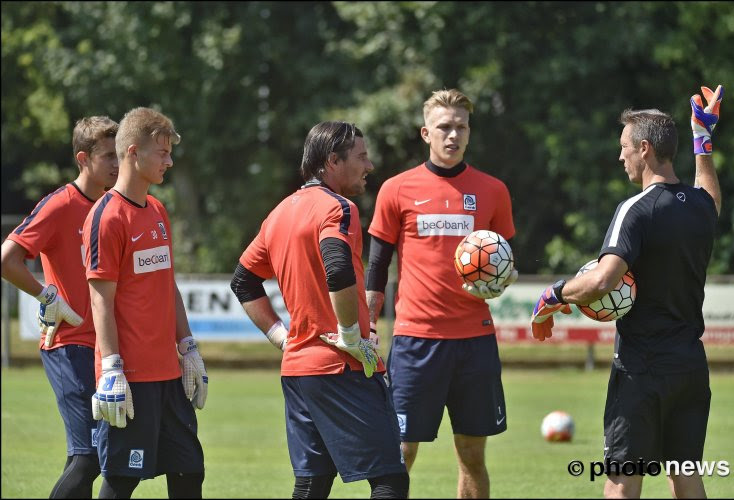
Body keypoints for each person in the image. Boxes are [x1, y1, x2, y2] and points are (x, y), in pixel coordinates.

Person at [530, 85, 723, 499]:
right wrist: (702, 136)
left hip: (641, 369)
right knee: (687, 478)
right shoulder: (700, 206)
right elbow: (710, 193)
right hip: (690, 366)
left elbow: (603, 279)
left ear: (645, 149)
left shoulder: (635, 209)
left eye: (624, 147)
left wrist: (555, 294)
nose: (621, 156)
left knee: (621, 481)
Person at [230, 121, 409, 499]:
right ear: (332, 161)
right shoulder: (338, 208)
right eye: (361, 157)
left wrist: (284, 339)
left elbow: (243, 282)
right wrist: (350, 335)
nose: (370, 165)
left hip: (298, 371)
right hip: (340, 366)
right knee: (390, 480)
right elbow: (338, 266)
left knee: (312, 484)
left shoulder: (279, 212)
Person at [365, 89, 517, 498]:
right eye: (444, 127)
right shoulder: (396, 189)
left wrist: (501, 280)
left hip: (474, 341)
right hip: (416, 341)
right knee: (399, 451)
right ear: (425, 133)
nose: (453, 135)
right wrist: (367, 326)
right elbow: (376, 267)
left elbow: (504, 263)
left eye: (461, 127)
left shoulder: (493, 191)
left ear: (470, 131)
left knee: (472, 455)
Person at [82, 107, 208, 499]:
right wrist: (111, 369)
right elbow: (101, 301)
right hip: (130, 379)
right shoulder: (106, 217)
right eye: (162, 153)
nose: (169, 161)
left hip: (169, 377)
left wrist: (188, 347)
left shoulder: (157, 210)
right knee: (122, 479)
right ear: (133, 153)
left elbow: (166, 285)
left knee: (189, 472)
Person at [1, 116, 119, 498]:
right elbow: (7, 260)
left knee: (90, 456)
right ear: (82, 158)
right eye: (107, 156)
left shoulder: (113, 207)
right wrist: (45, 296)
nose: (117, 164)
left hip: (103, 348)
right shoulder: (59, 204)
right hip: (68, 345)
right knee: (90, 456)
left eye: (119, 155)